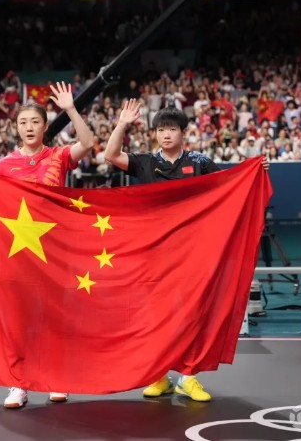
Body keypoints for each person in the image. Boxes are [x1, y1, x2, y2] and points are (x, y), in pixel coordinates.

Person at [104, 100, 269, 402]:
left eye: (172, 129)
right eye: (161, 130)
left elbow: (229, 186)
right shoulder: (146, 162)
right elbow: (111, 155)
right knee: (156, 315)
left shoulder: (200, 162)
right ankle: (159, 376)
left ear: (183, 133)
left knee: (193, 312)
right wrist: (123, 123)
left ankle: (188, 377)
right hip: (155, 251)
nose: (166, 135)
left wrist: (254, 170)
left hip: (194, 251)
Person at [0, 82, 95, 409]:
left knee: (54, 318)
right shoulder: (4, 165)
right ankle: (18, 384)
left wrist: (70, 109)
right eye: (23, 122)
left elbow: (87, 143)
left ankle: (57, 379)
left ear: (45, 126)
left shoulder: (58, 156)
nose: (29, 127)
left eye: (35, 122)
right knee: (19, 321)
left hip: (55, 252)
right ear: (16, 128)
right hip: (18, 254)